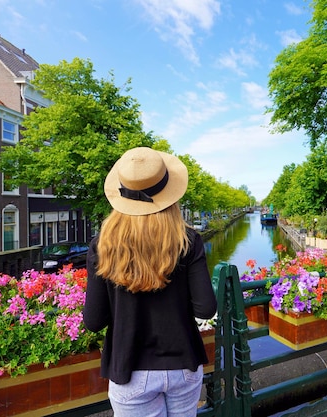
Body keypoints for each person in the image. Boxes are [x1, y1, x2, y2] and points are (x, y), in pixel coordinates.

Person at [83, 147, 217, 417]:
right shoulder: (189, 242)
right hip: (183, 364)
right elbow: (206, 309)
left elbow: (93, 321)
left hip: (130, 368)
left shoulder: (102, 246)